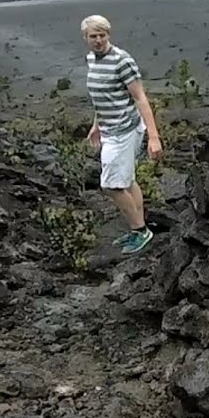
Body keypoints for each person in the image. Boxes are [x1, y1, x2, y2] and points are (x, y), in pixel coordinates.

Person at [81, 14, 163, 255]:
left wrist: (154, 137)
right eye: (93, 36)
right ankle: (140, 229)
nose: (98, 41)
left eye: (102, 35)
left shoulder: (122, 61)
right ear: (85, 38)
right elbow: (101, 96)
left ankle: (140, 230)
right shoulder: (91, 60)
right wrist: (97, 124)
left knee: (110, 185)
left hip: (125, 130)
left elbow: (140, 98)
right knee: (126, 180)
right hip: (109, 128)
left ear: (109, 35)